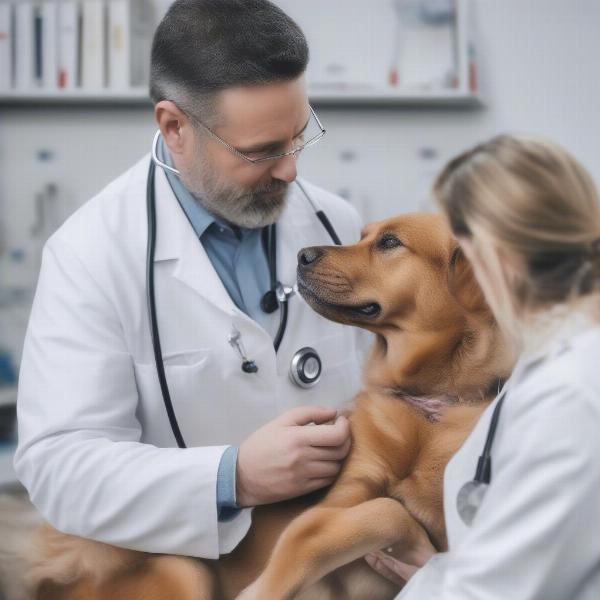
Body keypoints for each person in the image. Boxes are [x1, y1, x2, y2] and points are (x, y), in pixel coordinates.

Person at [14, 0, 367, 559]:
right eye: (261, 152)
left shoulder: (336, 225)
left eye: (300, 136)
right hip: (186, 570)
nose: (291, 169)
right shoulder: (91, 254)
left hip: (328, 558)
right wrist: (234, 477)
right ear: (174, 126)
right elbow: (60, 465)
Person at [364, 134, 600, 598]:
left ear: (492, 252)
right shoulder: (549, 359)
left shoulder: (572, 390)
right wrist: (443, 573)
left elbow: (497, 590)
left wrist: (444, 583)